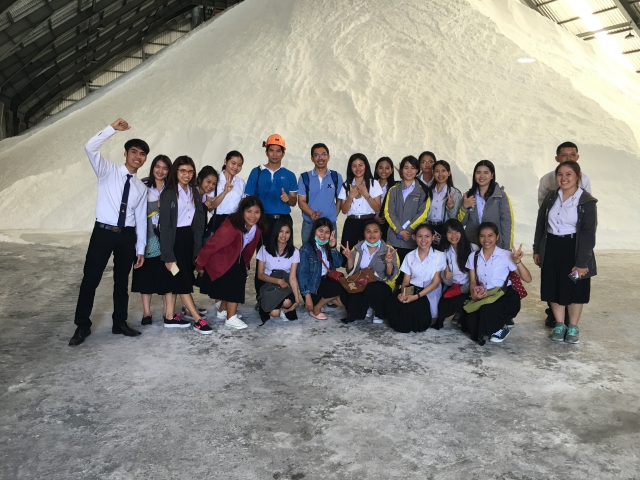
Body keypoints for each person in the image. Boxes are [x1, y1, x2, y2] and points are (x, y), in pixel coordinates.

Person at [69, 118, 149, 346]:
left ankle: (119, 322)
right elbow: (90, 147)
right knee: (91, 279)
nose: (138, 157)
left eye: (142, 154)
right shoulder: (107, 171)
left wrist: (140, 248)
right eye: (134, 152)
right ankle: (82, 325)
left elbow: (140, 219)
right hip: (103, 233)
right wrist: (111, 129)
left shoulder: (141, 187)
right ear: (126, 153)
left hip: (127, 236)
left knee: (121, 281)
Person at [533, 161, 597, 345]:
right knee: (553, 285)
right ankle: (560, 324)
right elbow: (541, 224)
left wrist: (582, 262)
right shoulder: (551, 197)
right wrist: (537, 249)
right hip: (552, 245)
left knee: (576, 286)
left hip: (574, 247)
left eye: (569, 174)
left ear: (577, 176)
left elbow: (588, 233)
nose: (564, 178)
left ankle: (573, 326)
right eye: (560, 174)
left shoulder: (586, 201)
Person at [197, 196, 267, 330]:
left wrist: (245, 265)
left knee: (239, 273)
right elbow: (212, 245)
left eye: (257, 212)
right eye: (249, 211)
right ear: (242, 211)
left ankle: (223, 311)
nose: (253, 216)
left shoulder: (257, 228)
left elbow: (248, 249)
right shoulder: (231, 226)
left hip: (234, 258)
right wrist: (200, 264)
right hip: (219, 260)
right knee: (236, 280)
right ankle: (231, 317)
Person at [159, 156, 208, 333]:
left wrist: (197, 245)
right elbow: (165, 227)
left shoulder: (194, 192)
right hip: (174, 240)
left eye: (190, 171)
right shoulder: (168, 193)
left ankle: (169, 316)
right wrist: (167, 255)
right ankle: (197, 319)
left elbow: (199, 219)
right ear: (176, 172)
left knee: (177, 278)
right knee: (181, 279)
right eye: (183, 171)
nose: (187, 175)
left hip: (189, 238)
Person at [244, 134, 298, 298]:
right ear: (266, 152)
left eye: (278, 151)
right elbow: (248, 198)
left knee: (284, 255)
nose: (274, 154)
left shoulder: (289, 175)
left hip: (283, 220)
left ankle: (284, 295)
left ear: (283, 153)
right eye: (271, 150)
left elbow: (294, 201)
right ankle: (262, 297)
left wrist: (288, 199)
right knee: (263, 256)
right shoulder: (257, 172)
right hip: (263, 220)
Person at [463, 222, 531, 345]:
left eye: (490, 235)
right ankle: (495, 323)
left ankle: (503, 326)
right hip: (485, 295)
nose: (486, 239)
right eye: (482, 236)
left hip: (504, 295)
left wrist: (518, 261)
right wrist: (474, 295)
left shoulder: (506, 255)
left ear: (497, 237)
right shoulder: (473, 256)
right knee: (471, 324)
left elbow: (528, 279)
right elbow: (473, 281)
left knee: (487, 310)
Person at [131, 154, 174, 326]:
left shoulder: (171, 188)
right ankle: (146, 312)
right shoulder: (142, 185)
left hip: (167, 237)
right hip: (146, 235)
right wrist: (156, 206)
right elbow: (135, 209)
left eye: (165, 168)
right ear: (152, 167)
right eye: (158, 167)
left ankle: (167, 311)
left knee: (168, 273)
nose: (160, 171)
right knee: (145, 273)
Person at [387, 224, 445, 333]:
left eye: (427, 236)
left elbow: (435, 283)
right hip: (411, 288)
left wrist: (415, 297)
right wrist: (404, 293)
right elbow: (405, 281)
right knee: (393, 303)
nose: (423, 240)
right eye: (419, 236)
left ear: (433, 237)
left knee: (412, 310)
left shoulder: (440, 256)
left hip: (427, 291)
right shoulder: (410, 256)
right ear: (414, 237)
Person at [339, 220, 400, 324]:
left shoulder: (389, 250)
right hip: (361, 284)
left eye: (375, 231)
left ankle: (377, 310)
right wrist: (349, 258)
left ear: (381, 233)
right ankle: (366, 305)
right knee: (351, 308)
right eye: (368, 231)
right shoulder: (357, 249)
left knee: (373, 288)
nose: (372, 235)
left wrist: (388, 262)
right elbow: (351, 272)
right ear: (364, 233)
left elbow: (391, 276)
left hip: (381, 286)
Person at [383, 155, 431, 271]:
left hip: (412, 240)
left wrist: (408, 231)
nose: (409, 171)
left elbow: (422, 214)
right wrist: (399, 231)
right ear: (401, 170)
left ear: (417, 170)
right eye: (406, 168)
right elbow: (388, 212)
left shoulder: (424, 191)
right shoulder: (393, 189)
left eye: (412, 168)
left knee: (410, 273)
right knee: (391, 270)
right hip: (394, 239)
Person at [458, 160, 513, 250]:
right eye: (478, 172)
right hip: (472, 245)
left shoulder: (501, 196)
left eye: (486, 173)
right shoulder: (468, 196)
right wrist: (464, 207)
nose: (482, 176)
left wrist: (507, 249)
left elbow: (507, 223)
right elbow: (461, 223)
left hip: (494, 245)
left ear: (492, 175)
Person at [297, 218, 344, 320]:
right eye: (320, 231)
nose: (323, 235)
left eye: (327, 232)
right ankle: (316, 308)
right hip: (313, 287)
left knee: (343, 301)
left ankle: (321, 302)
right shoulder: (305, 249)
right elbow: (302, 275)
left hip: (326, 282)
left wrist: (333, 247)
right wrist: (307, 296)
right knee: (336, 288)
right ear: (314, 230)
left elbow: (338, 263)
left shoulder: (328, 247)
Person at [434, 219, 477, 329]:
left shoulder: (473, 248)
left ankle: (461, 315)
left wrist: (464, 289)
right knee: (443, 305)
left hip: (470, 286)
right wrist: (445, 276)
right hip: (453, 286)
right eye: (449, 232)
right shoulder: (444, 251)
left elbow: (479, 275)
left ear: (462, 232)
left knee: (460, 301)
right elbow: (448, 282)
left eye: (457, 231)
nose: (453, 235)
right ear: (445, 234)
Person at [297, 143, 344, 244]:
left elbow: (340, 200)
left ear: (328, 157)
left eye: (323, 154)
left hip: (330, 224)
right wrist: (311, 213)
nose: (320, 158)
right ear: (312, 159)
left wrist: (333, 215)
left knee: (330, 251)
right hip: (309, 224)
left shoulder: (336, 177)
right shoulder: (304, 177)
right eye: (317, 155)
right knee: (307, 251)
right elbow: (301, 201)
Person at [256, 219, 300, 323]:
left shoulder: (294, 252)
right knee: (274, 313)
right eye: (281, 231)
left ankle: (281, 307)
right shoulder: (264, 249)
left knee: (287, 302)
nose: (284, 235)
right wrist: (278, 281)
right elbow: (260, 275)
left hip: (286, 284)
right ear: (275, 232)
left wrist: (297, 300)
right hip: (269, 284)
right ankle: (276, 308)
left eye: (287, 232)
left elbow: (292, 277)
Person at [337, 153, 383, 249]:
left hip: (369, 223)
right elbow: (344, 211)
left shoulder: (374, 183)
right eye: (354, 166)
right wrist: (350, 196)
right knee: (348, 253)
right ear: (350, 168)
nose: (358, 169)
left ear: (366, 166)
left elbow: (377, 208)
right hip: (351, 223)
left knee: (368, 252)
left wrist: (366, 195)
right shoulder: (346, 185)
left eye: (360, 165)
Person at [203, 151, 245, 238]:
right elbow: (210, 207)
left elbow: (242, 205)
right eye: (233, 163)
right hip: (217, 222)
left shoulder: (241, 183)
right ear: (225, 161)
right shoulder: (215, 180)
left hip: (234, 223)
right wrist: (225, 192)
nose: (236, 167)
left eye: (239, 165)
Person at [538, 142, 591, 207]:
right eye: (564, 155)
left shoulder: (584, 178)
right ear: (557, 158)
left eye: (572, 155)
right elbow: (542, 203)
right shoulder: (547, 179)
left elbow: (588, 202)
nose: (569, 158)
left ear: (577, 157)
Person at [427, 160, 463, 250]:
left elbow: (454, 219)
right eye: (437, 171)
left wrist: (450, 207)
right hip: (428, 227)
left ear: (449, 173)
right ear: (433, 173)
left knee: (442, 254)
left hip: (444, 229)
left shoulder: (455, 193)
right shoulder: (427, 191)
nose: (440, 174)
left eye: (443, 171)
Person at [373, 156, 395, 241]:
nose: (384, 171)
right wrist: (375, 216)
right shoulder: (370, 185)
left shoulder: (395, 187)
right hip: (372, 222)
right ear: (376, 170)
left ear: (391, 170)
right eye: (381, 168)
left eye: (387, 168)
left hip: (389, 224)